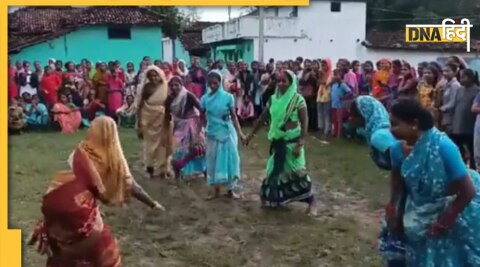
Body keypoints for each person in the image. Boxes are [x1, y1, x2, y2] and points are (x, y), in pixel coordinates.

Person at [27, 116, 164, 267]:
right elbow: (131, 185)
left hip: (53, 200)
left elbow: (72, 181)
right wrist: (153, 204)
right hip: (77, 209)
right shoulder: (112, 159)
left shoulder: (80, 150)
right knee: (103, 249)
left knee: (63, 251)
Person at [385, 99, 480, 267]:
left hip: (449, 213)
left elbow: (468, 191)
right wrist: (394, 211)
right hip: (415, 217)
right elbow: (397, 185)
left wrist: (444, 221)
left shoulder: (443, 146)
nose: (390, 130)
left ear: (414, 124)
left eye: (395, 124)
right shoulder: (397, 150)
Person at [244, 70, 316, 215]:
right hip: (277, 143)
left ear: (291, 83)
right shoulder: (273, 99)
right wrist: (250, 135)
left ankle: (311, 202)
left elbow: (304, 123)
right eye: (279, 81)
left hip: (292, 144)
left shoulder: (298, 100)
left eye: (284, 81)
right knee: (272, 172)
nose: (281, 83)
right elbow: (262, 118)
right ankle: (275, 199)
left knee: (297, 174)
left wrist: (300, 143)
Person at [200, 70, 245, 200]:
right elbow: (202, 117)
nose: (213, 86)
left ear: (220, 82)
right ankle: (216, 190)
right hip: (212, 133)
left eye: (215, 83)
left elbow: (234, 116)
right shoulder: (204, 99)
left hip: (227, 132)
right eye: (210, 83)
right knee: (213, 160)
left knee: (231, 159)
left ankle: (231, 189)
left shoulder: (228, 97)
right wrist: (201, 131)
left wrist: (240, 133)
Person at [164, 76, 206, 180]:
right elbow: (167, 115)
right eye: (172, 85)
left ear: (181, 85)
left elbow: (201, 109)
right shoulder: (169, 99)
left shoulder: (188, 95)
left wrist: (199, 126)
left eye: (176, 85)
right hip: (179, 126)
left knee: (197, 149)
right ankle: (177, 174)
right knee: (177, 151)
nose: (174, 87)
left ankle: (205, 172)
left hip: (192, 126)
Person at [137, 66, 174, 179]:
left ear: (160, 76)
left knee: (163, 144)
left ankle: (163, 169)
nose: (154, 78)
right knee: (149, 145)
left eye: (155, 75)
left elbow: (169, 103)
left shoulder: (165, 86)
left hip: (163, 118)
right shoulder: (146, 88)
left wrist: (167, 118)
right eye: (151, 76)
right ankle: (150, 167)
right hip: (147, 118)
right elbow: (141, 104)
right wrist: (139, 121)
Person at [349, 96, 397, 170]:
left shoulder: (378, 136)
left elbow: (400, 161)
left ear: (364, 114)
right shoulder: (382, 127)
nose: (351, 119)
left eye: (353, 115)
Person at [450, 69, 480, 169]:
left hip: (470, 126)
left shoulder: (477, 90)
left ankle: (473, 170)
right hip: (457, 124)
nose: (461, 80)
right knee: (457, 149)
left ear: (471, 78)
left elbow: (474, 109)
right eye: (460, 77)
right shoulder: (459, 89)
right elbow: (455, 105)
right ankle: (459, 168)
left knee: (472, 150)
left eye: (464, 77)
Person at [438, 63, 461, 134]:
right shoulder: (446, 84)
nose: (444, 73)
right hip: (444, 115)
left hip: (451, 116)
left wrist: (443, 108)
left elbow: (453, 102)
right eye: (443, 71)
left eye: (447, 71)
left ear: (454, 72)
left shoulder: (455, 85)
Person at [330, 69, 352, 138]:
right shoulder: (333, 84)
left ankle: (339, 134)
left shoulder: (342, 84)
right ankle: (334, 132)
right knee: (334, 119)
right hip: (333, 104)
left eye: (336, 75)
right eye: (334, 75)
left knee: (339, 120)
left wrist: (343, 97)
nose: (335, 76)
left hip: (339, 105)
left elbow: (349, 92)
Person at [316, 58, 332, 139]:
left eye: (325, 65)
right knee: (320, 113)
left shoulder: (331, 74)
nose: (323, 67)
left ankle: (326, 130)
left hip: (327, 96)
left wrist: (322, 76)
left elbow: (326, 83)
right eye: (322, 65)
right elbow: (318, 83)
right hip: (320, 96)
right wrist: (320, 76)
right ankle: (320, 128)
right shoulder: (321, 73)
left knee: (326, 114)